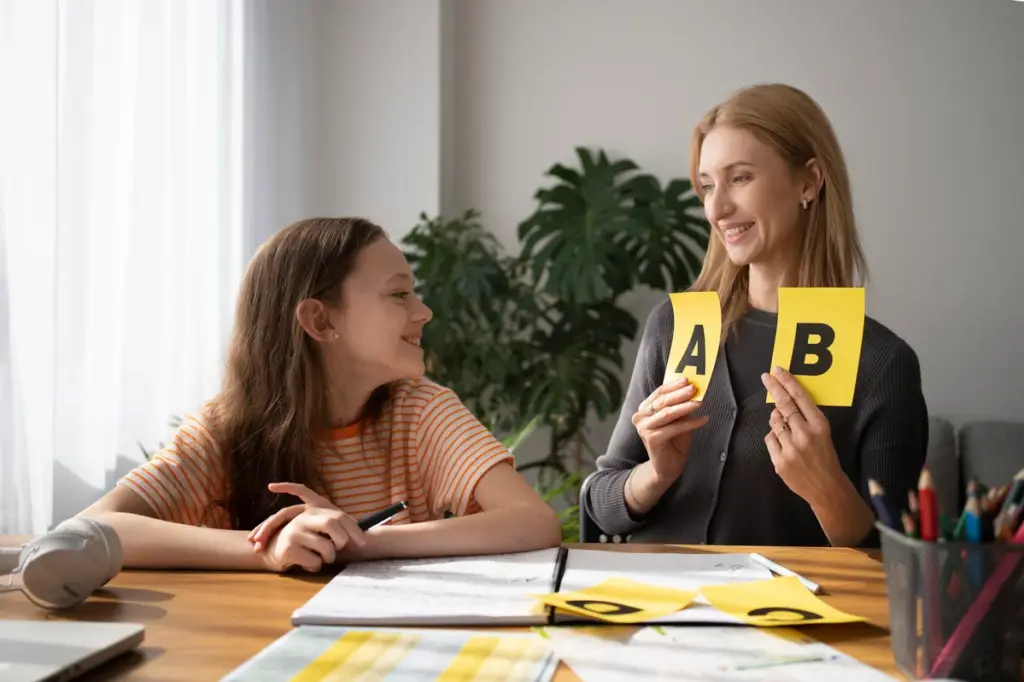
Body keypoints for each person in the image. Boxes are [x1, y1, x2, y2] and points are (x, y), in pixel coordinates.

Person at [79, 217, 561, 572]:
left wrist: (361, 543)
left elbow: (533, 522)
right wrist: (267, 549)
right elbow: (90, 531)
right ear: (320, 321)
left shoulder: (422, 410)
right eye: (399, 295)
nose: (424, 312)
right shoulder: (226, 428)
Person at [583, 83, 928, 547]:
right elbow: (601, 505)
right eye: (707, 186)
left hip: (783, 617)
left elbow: (898, 565)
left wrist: (826, 490)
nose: (716, 208)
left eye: (740, 178)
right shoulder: (677, 324)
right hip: (657, 611)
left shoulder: (882, 363)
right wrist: (655, 474)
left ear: (808, 181)